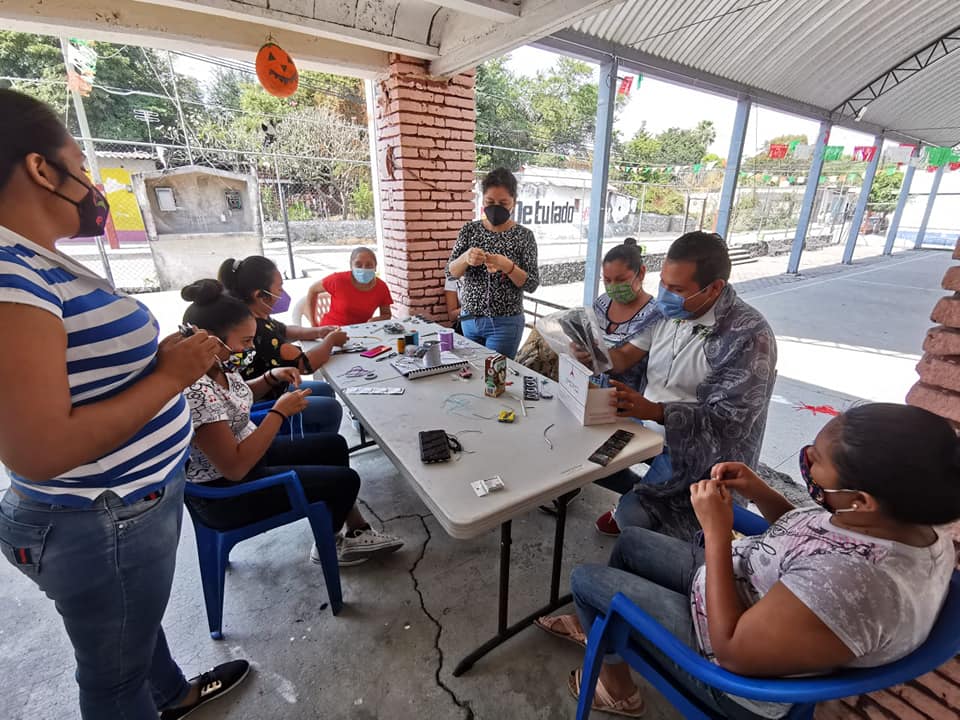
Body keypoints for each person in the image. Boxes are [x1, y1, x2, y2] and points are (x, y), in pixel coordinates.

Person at [0, 88, 248, 720]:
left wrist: (158, 361)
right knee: (112, 681)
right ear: (40, 169)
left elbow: (78, 371)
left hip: (122, 504)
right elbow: (39, 447)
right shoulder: (11, 274)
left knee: (130, 635)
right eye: (81, 167)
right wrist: (170, 375)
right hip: (99, 516)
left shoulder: (38, 263)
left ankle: (171, 693)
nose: (90, 184)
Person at [539, 403, 960, 718]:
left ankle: (616, 689)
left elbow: (733, 651)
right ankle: (602, 628)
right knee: (631, 544)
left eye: (819, 461)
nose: (808, 459)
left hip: (737, 677)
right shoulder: (908, 519)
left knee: (586, 580)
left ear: (861, 500)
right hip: (755, 590)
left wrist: (718, 532)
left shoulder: (854, 585)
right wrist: (759, 491)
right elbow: (808, 538)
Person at [181, 279, 403, 565]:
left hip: (249, 456)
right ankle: (330, 546)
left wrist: (269, 378)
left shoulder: (217, 364)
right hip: (226, 494)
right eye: (246, 342)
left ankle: (354, 531)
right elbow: (234, 468)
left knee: (334, 446)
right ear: (210, 338)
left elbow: (238, 396)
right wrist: (278, 413)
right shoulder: (195, 390)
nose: (249, 349)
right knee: (347, 480)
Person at [582, 232, 776, 540]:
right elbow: (623, 359)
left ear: (714, 288)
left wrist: (658, 412)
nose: (665, 295)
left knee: (633, 518)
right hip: (645, 425)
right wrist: (592, 354)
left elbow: (731, 420)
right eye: (663, 284)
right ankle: (641, 489)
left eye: (676, 289)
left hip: (699, 453)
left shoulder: (748, 334)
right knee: (585, 455)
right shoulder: (666, 311)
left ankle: (645, 505)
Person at [219, 255, 345, 433]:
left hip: (273, 385)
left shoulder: (252, 314)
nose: (282, 293)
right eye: (279, 288)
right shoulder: (257, 328)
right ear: (260, 295)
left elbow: (283, 330)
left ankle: (314, 435)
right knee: (330, 408)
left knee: (324, 389)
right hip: (262, 398)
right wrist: (331, 341)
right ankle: (313, 443)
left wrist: (318, 331)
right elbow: (305, 365)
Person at [446, 167, 539, 358]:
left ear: (514, 203)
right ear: (482, 201)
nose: (495, 207)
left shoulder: (524, 236)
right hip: (469, 320)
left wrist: (508, 266)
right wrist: (465, 258)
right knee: (472, 374)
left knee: (495, 379)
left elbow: (531, 284)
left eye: (503, 203)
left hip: (505, 323)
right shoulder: (469, 230)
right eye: (489, 202)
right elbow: (450, 273)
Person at [592, 237, 661, 391]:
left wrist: (591, 352)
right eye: (607, 280)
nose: (613, 287)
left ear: (641, 273)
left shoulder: (653, 315)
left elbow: (622, 361)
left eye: (621, 280)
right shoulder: (602, 303)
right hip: (590, 392)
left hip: (626, 404)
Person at [307, 246, 393, 327]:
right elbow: (312, 290)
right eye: (358, 265)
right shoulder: (338, 280)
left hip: (361, 332)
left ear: (375, 267)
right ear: (351, 266)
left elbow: (386, 314)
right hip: (331, 330)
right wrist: (313, 323)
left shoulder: (381, 287)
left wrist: (374, 320)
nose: (363, 269)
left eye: (369, 265)